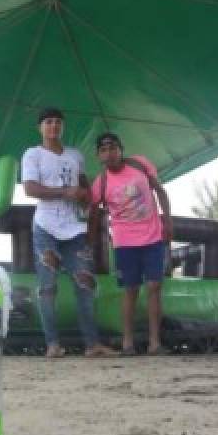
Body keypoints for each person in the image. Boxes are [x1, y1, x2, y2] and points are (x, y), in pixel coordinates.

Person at [21, 108, 116, 358]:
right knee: (47, 287)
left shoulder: (75, 155)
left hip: (76, 228)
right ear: (40, 127)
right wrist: (65, 192)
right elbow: (29, 188)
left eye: (58, 122)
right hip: (45, 227)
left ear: (62, 127)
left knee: (86, 283)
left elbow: (85, 187)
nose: (53, 126)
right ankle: (53, 344)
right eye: (48, 122)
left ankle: (92, 344)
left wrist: (87, 198)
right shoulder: (33, 154)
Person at [90, 131, 172, 355]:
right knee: (130, 290)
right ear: (99, 156)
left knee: (154, 287)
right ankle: (128, 343)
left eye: (114, 148)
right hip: (124, 243)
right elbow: (92, 212)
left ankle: (155, 343)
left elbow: (160, 192)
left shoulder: (140, 164)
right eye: (104, 150)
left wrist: (168, 221)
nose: (110, 153)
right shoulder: (101, 182)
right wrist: (91, 239)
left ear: (121, 150)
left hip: (153, 236)